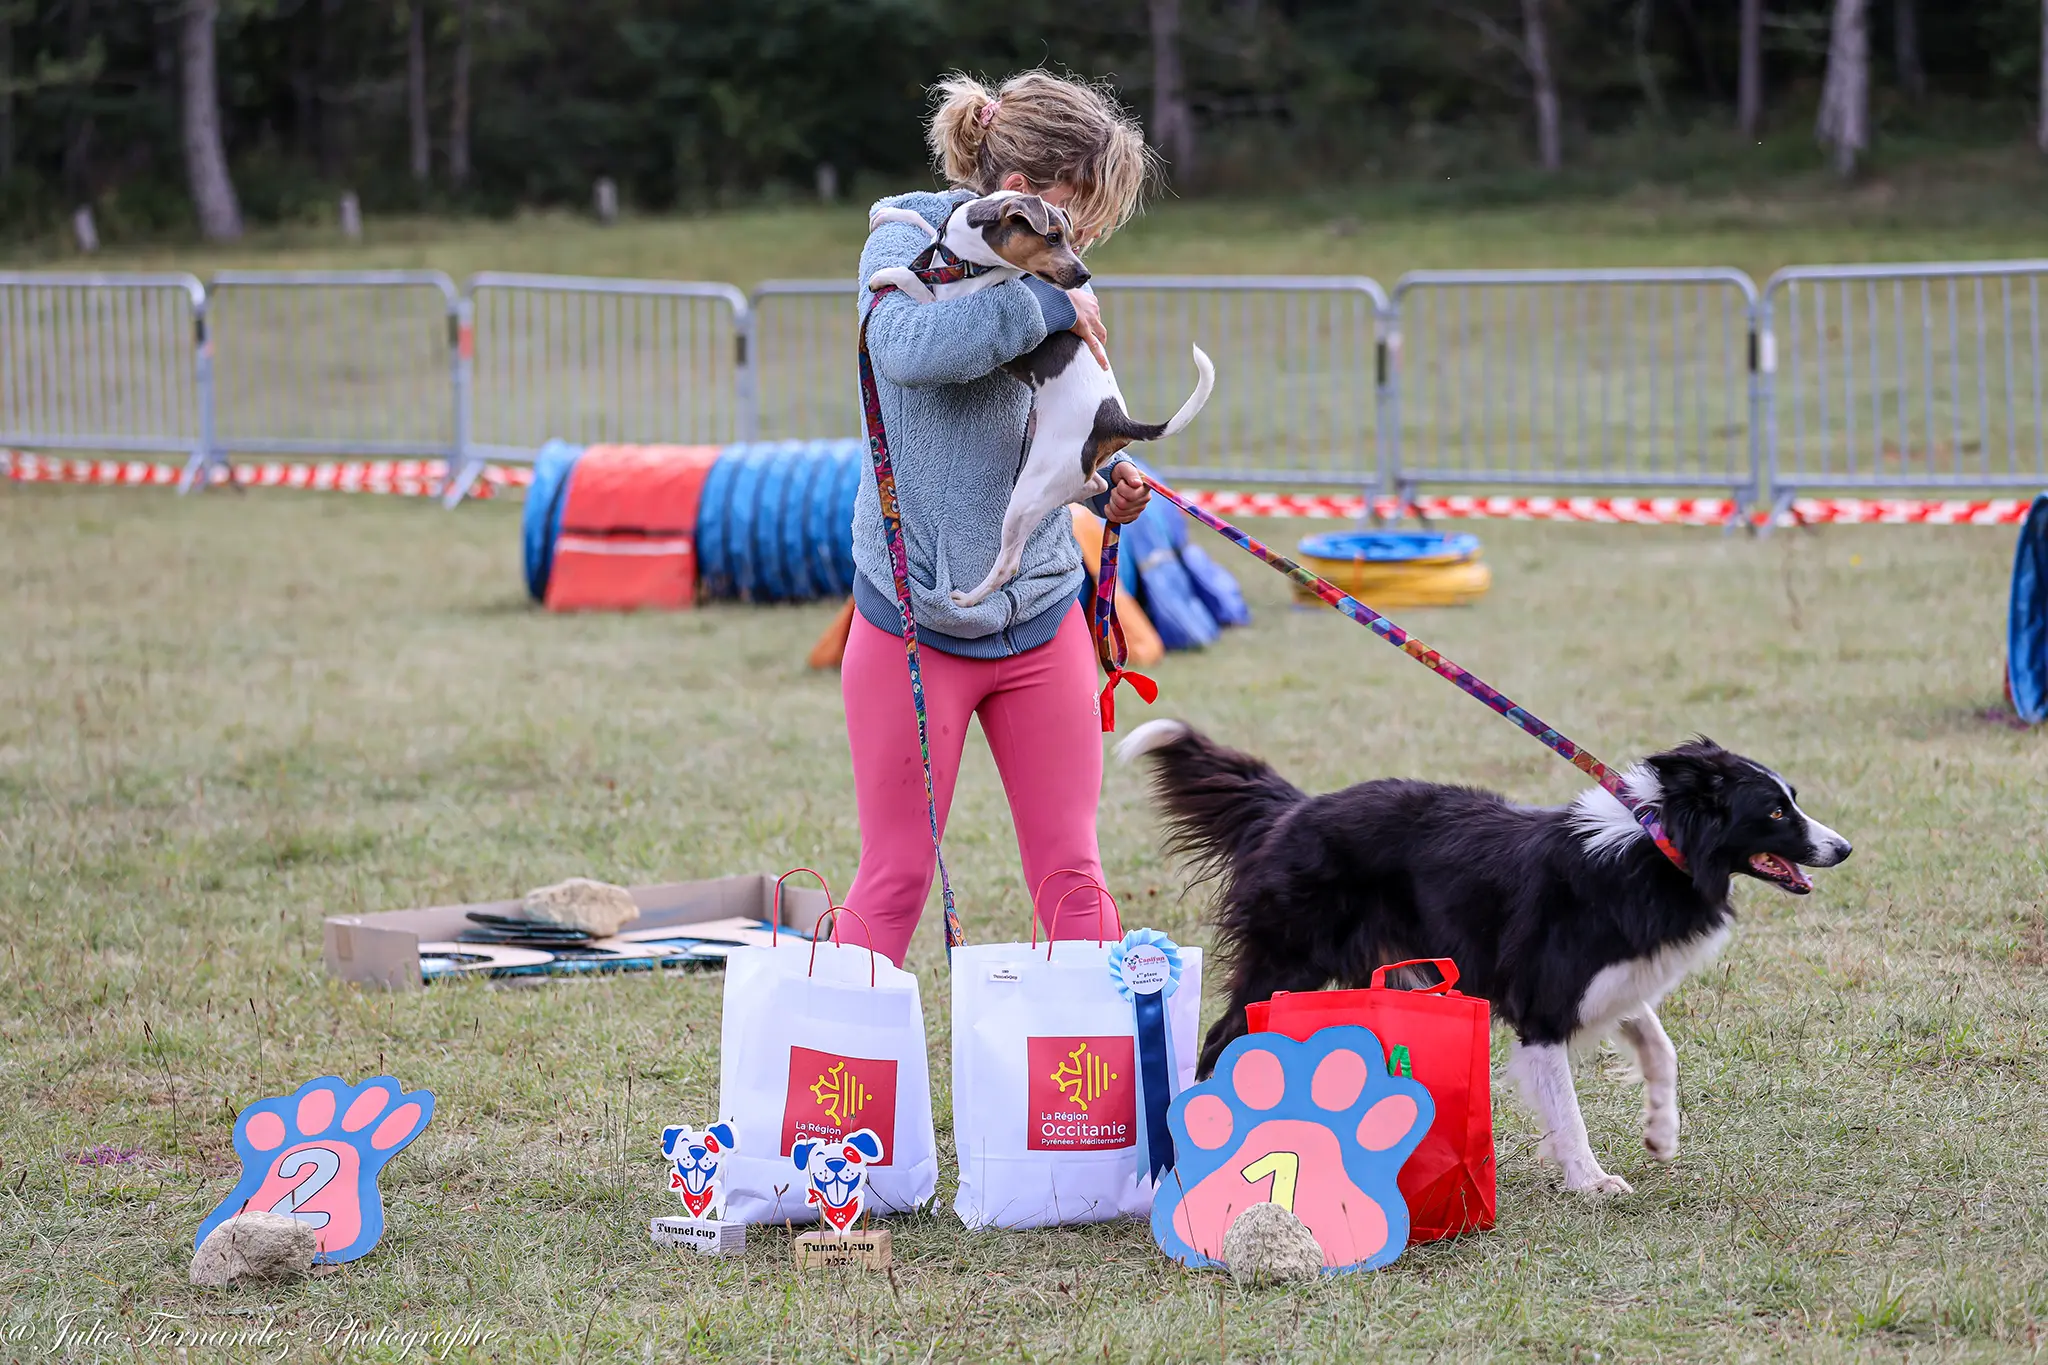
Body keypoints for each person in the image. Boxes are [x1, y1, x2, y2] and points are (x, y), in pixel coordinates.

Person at [841, 69, 1159, 965]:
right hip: (914, 623)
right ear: (1020, 196)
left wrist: (1110, 478)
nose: (1085, 241)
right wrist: (1042, 303)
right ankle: (831, 1102)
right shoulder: (903, 238)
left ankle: (1103, 1103)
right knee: (896, 876)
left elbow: (1064, 413)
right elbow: (904, 351)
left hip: (1041, 613)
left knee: (1072, 875)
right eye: (1078, 212)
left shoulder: (1051, 278)